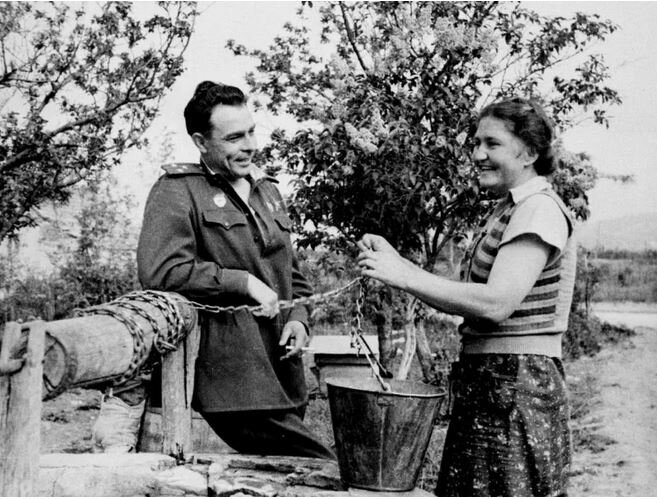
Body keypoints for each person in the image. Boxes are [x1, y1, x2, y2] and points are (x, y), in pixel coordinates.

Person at [357, 97, 576, 496]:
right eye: (476, 143)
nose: (477, 155)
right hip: (494, 381)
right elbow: (470, 298)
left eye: (492, 143)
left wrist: (405, 276)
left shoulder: (538, 209)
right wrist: (399, 265)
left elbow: (495, 304)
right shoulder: (508, 209)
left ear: (529, 152)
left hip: (518, 385)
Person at [136, 81, 335, 460]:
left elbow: (291, 274)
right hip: (232, 381)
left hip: (282, 372)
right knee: (322, 467)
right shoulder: (177, 191)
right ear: (201, 142)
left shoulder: (266, 189)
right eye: (233, 138)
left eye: (251, 132)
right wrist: (242, 282)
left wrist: (299, 318)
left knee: (284, 476)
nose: (250, 146)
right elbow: (161, 271)